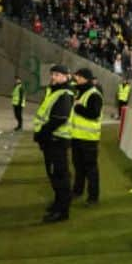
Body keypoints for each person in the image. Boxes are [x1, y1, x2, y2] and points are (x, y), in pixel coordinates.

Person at [34, 65, 74, 223]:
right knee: (55, 175)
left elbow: (58, 118)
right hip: (52, 140)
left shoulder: (64, 93)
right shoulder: (56, 91)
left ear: (66, 76)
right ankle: (59, 203)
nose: (53, 77)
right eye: (52, 74)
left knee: (60, 176)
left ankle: (62, 211)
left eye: (57, 75)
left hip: (56, 140)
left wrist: (42, 133)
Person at [70, 68, 102, 206]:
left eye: (79, 77)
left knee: (91, 169)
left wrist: (78, 108)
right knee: (78, 167)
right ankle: (78, 190)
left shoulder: (94, 94)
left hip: (89, 138)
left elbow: (94, 114)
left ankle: (93, 197)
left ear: (86, 79)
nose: (77, 79)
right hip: (77, 137)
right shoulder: (81, 92)